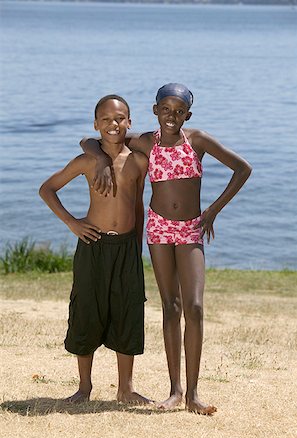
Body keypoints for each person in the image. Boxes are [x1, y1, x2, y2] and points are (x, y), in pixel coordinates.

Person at [80, 83, 252, 414]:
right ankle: (175, 391)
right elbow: (92, 139)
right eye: (166, 109)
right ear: (155, 110)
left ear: (187, 114)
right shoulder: (146, 140)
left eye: (179, 111)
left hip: (190, 229)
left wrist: (213, 210)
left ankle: (194, 395)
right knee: (170, 306)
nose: (172, 116)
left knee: (195, 307)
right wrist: (99, 158)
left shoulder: (197, 140)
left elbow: (242, 168)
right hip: (159, 228)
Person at [39, 94, 150, 404]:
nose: (113, 124)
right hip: (93, 243)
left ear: (129, 122)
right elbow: (47, 189)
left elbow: (138, 204)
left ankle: (125, 389)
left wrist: (137, 244)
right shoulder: (88, 160)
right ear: (96, 124)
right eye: (106, 119)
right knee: (86, 308)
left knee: (128, 309)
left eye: (119, 119)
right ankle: (84, 387)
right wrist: (72, 223)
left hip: (126, 246)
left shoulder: (139, 161)